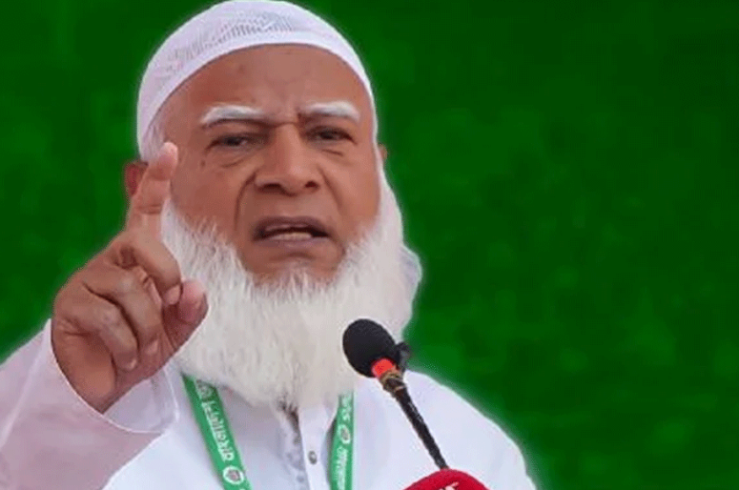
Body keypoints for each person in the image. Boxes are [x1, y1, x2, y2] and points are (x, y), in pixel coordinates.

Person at [0, 1, 536, 489]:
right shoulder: (57, 421)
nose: (292, 172)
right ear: (147, 188)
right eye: (235, 139)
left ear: (378, 173)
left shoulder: (463, 447)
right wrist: (64, 416)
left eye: (328, 135)